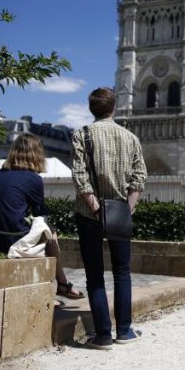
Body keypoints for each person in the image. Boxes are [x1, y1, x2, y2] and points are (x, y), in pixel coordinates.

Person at [72, 87, 147, 350]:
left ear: (91, 109)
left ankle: (103, 335)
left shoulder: (81, 135)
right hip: (119, 212)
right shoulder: (130, 138)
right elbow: (139, 178)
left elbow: (80, 177)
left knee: (94, 275)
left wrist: (95, 209)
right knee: (122, 273)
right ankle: (124, 331)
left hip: (88, 214)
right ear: (113, 108)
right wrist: (126, 208)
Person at [0, 133, 84, 302]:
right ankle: (60, 284)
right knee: (50, 232)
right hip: (11, 240)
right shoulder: (33, 179)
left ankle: (60, 285)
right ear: (37, 154)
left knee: (41, 230)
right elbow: (40, 212)